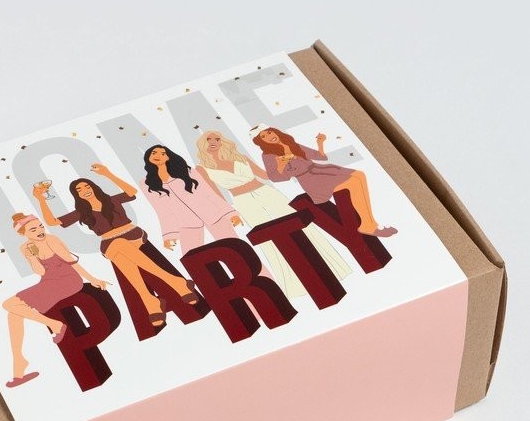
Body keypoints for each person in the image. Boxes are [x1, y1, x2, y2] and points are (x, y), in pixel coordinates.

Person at [33, 165, 198, 328]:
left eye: (86, 186)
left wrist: (108, 173)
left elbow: (132, 192)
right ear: (77, 195)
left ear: (94, 187)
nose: (84, 190)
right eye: (79, 190)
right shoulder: (83, 212)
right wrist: (40, 199)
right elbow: (52, 222)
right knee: (119, 249)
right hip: (109, 243)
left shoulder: (111, 200)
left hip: (132, 235)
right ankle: (176, 283)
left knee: (120, 248)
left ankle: (151, 301)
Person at [196, 130, 351, 298]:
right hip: (244, 202)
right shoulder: (202, 168)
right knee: (270, 241)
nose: (213, 141)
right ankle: (298, 286)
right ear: (203, 143)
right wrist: (230, 213)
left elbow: (265, 175)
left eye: (217, 138)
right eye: (208, 139)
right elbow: (215, 193)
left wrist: (280, 164)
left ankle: (333, 270)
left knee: (300, 227)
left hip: (267, 193)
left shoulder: (240, 158)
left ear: (222, 141)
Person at [2, 213, 108, 388]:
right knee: (13, 313)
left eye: (40, 226)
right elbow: (41, 272)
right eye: (33, 229)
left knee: (8, 304)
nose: (39, 231)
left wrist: (93, 279)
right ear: (24, 234)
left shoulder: (52, 240)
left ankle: (55, 325)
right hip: (48, 282)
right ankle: (18, 363)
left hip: (68, 281)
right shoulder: (25, 247)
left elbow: (72, 263)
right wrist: (31, 257)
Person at [250, 124, 397, 237]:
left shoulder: (291, 144)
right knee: (352, 182)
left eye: (269, 132)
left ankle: (368, 222)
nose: (269, 136)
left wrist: (320, 142)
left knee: (359, 175)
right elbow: (275, 178)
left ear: (275, 131)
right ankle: (367, 224)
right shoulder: (268, 155)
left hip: (322, 170)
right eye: (264, 136)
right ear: (261, 142)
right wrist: (281, 165)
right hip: (310, 180)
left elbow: (319, 156)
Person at [140, 144, 242, 254]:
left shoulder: (187, 171)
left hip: (214, 215)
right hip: (186, 224)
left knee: (235, 249)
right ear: (148, 157)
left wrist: (230, 213)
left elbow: (209, 193)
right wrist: (169, 235)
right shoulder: (146, 184)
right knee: (192, 257)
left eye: (163, 153)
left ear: (168, 157)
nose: (158, 156)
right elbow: (162, 211)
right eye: (154, 153)